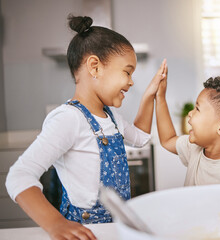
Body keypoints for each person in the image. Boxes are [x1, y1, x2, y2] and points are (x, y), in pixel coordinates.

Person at [6, 15, 167, 240]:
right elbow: (19, 176)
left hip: (116, 229)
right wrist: (55, 224)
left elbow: (140, 137)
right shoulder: (68, 119)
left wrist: (150, 95)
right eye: (127, 72)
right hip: (85, 233)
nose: (131, 81)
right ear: (95, 67)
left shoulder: (112, 118)